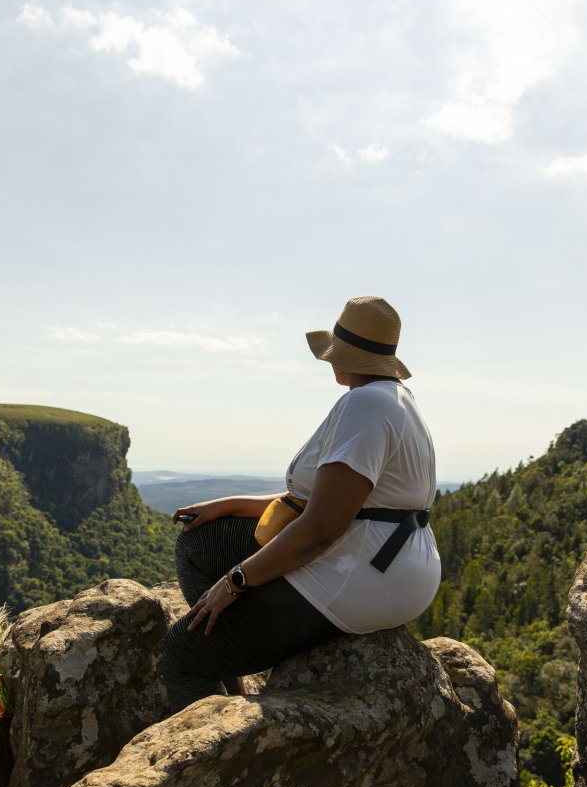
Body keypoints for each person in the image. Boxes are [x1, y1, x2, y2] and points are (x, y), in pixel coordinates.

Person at [160, 295, 441, 715]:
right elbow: (326, 500)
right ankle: (230, 670)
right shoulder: (394, 399)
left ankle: (223, 747)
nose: (329, 361)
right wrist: (229, 504)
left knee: (180, 653)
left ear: (347, 354)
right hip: (384, 562)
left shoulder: (363, 405)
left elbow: (322, 527)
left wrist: (236, 580)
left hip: (362, 572)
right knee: (204, 539)